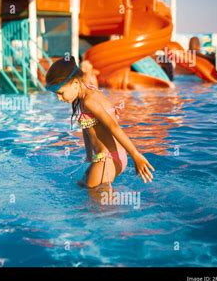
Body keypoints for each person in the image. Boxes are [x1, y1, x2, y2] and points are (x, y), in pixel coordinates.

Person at [46, 56, 154, 188]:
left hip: (108, 158)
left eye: (61, 93)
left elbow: (113, 127)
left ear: (75, 84)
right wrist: (89, 157)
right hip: (105, 157)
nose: (58, 98)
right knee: (81, 186)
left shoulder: (89, 101)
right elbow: (87, 128)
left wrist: (135, 155)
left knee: (96, 204)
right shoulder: (82, 97)